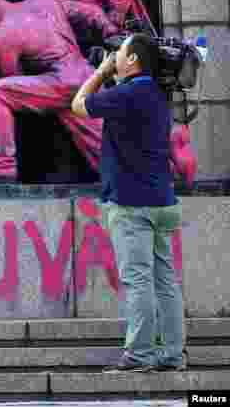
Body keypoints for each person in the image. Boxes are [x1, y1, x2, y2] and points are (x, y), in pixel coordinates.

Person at [72, 33, 186, 373]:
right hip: (163, 201)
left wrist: (103, 72)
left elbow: (79, 105)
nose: (114, 56)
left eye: (119, 53)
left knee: (138, 281)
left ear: (133, 59)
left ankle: (138, 355)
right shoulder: (156, 94)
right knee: (165, 281)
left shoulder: (129, 92)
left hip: (132, 205)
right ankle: (172, 355)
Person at [0, 0, 119, 182]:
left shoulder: (1, 37)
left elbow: (16, 88)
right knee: (105, 152)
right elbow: (93, 12)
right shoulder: (45, 1)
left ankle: (2, 163)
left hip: (63, 83)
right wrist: (111, 32)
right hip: (86, 77)